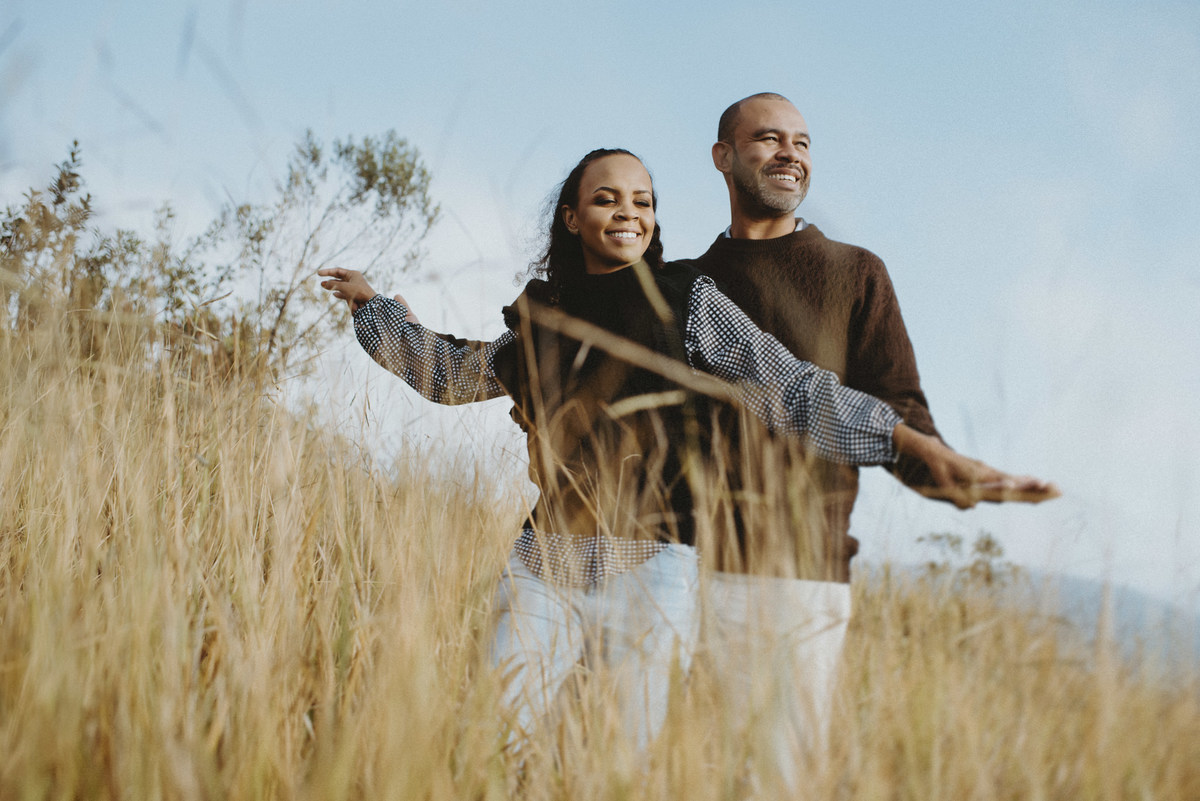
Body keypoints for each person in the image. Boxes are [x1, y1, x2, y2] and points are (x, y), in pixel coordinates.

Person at [318, 148, 1055, 766]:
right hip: (545, 563)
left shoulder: (689, 303)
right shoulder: (540, 318)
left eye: (642, 199)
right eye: (606, 198)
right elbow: (451, 374)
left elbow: (791, 389)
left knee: (612, 762)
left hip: (656, 570)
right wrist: (377, 309)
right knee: (492, 742)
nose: (628, 212)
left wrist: (911, 442)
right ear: (573, 217)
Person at [680, 92, 1054, 790]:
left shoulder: (856, 271)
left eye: (803, 141)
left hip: (802, 578)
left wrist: (954, 477)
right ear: (723, 158)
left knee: (776, 783)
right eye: (768, 139)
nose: (791, 152)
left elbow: (897, 408)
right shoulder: (683, 285)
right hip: (680, 569)